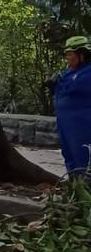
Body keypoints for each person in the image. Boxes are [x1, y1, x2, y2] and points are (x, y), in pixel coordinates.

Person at [53, 35, 91, 177]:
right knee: (69, 155)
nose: (67, 58)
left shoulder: (88, 72)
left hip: (82, 125)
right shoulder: (69, 72)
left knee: (82, 156)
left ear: (82, 54)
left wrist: (60, 82)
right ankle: (74, 187)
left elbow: (76, 88)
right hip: (66, 124)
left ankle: (86, 188)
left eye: (70, 54)